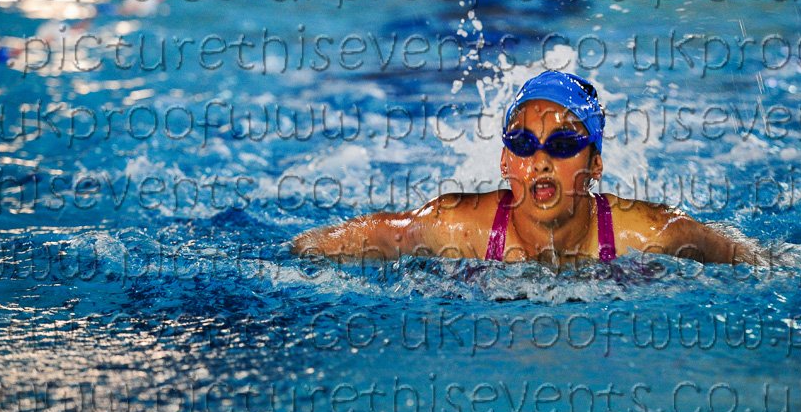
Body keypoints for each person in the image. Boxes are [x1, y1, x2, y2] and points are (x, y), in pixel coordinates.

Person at [291, 71, 757, 267]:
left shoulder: (650, 233)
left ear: (595, 163)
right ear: (504, 160)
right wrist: (294, 253)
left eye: (563, 144)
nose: (540, 160)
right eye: (523, 143)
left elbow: (752, 260)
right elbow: (368, 235)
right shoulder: (457, 226)